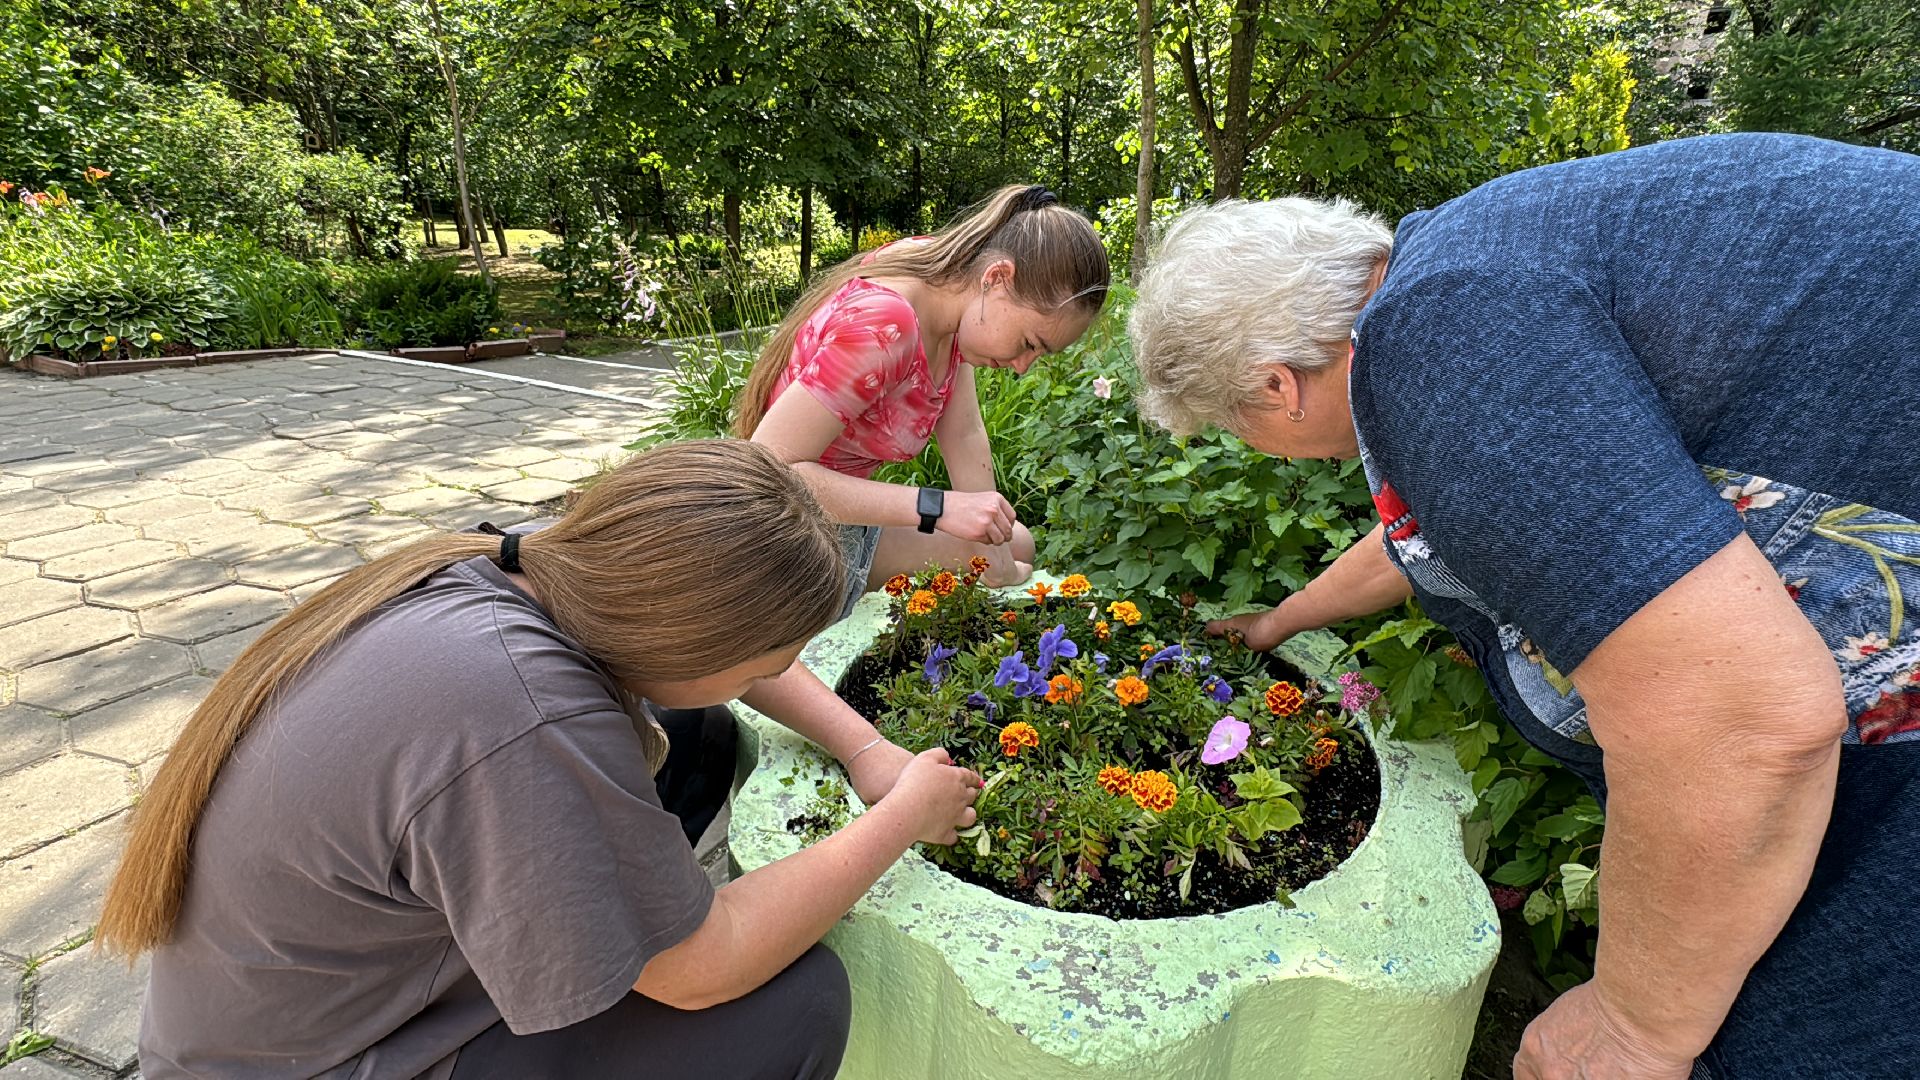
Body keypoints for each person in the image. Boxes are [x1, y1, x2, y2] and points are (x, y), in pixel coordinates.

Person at [1126, 132, 1919, 1079]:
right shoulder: (1460, 282)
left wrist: (1633, 1028)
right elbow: (1441, 532)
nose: (1250, 444)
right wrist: (1282, 620)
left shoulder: (1444, 338)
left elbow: (1735, 721)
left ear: (1275, 387)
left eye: (1233, 426)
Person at [97, 439, 983, 1079]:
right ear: (694, 634)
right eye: (765, 665)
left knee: (697, 738)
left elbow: (721, 669)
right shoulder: (526, 721)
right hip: (334, 1062)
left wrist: (866, 747)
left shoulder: (531, 560)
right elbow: (707, 968)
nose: (774, 681)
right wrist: (903, 814)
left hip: (287, 1020)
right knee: (793, 1009)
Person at [737, 184, 1110, 617]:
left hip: (838, 513)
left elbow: (964, 433)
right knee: (993, 553)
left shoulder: (948, 292)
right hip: (788, 529)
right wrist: (936, 507)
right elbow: (768, 471)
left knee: (1014, 544)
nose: (1023, 366)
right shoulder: (888, 324)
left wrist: (994, 551)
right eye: (1030, 342)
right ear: (996, 278)